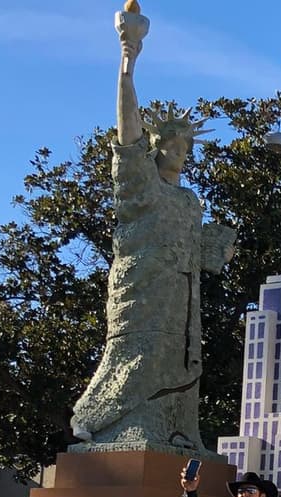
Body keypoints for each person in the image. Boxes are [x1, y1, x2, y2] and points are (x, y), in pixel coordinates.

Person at [70, 5, 235, 450]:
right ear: (157, 148)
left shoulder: (189, 200)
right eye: (171, 145)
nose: (179, 152)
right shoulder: (141, 184)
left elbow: (201, 253)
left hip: (181, 302)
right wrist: (129, 60)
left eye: (185, 147)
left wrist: (218, 246)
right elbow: (127, 131)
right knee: (137, 355)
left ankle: (177, 430)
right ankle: (113, 423)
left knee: (180, 361)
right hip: (141, 292)